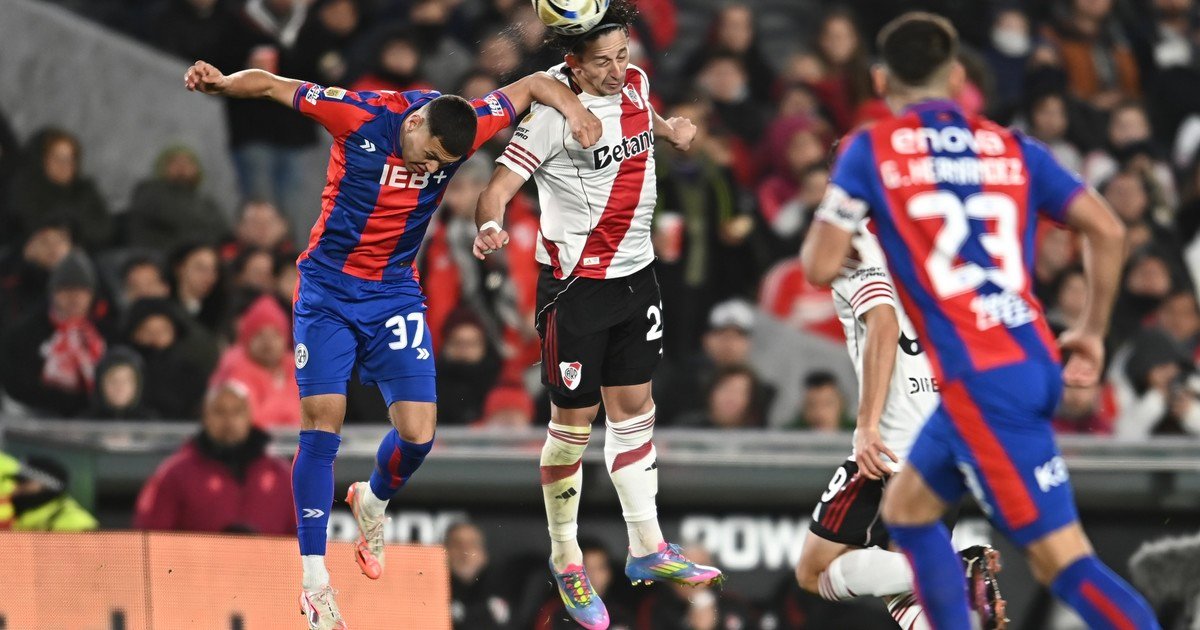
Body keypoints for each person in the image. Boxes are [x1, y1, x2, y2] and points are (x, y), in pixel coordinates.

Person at [183, 44, 601, 628]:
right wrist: (226, 82)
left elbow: (533, 83)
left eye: (441, 165)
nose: (429, 170)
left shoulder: (463, 125)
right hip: (328, 292)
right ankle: (314, 582)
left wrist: (576, 111)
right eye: (427, 156)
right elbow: (275, 85)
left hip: (394, 293)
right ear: (412, 124)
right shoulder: (358, 114)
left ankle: (372, 499)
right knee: (322, 422)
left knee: (420, 435)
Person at [800, 12, 1158, 629]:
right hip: (1014, 362)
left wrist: (843, 215)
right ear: (958, 78)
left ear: (880, 81)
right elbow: (1108, 229)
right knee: (909, 517)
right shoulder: (1013, 148)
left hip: (984, 383)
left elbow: (818, 265)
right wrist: (1093, 331)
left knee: (1063, 564)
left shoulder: (873, 151)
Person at [472, 4, 722, 627]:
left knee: (635, 407)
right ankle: (566, 558)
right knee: (574, 423)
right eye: (603, 61)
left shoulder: (635, 84)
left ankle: (647, 546)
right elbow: (495, 190)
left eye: (623, 56)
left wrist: (669, 129)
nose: (617, 70)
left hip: (638, 279)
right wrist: (490, 227)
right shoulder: (550, 119)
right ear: (573, 65)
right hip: (576, 290)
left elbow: (640, 117)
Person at [794, 228, 999, 626]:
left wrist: (867, 425)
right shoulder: (936, 234)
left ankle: (957, 570)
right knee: (902, 582)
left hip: (895, 445)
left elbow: (884, 325)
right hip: (948, 439)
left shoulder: (856, 240)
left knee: (814, 571)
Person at [134, 381, 295, 535]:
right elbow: (150, 533)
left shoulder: (281, 475)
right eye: (219, 411)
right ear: (205, 416)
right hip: (196, 556)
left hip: (268, 556)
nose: (229, 420)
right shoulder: (175, 473)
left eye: (237, 411)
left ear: (249, 416)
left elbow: (303, 535)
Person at [0, 251, 106, 418]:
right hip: (34, 418)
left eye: (82, 291)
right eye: (67, 290)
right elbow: (16, 384)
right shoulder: (24, 333)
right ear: (53, 293)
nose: (74, 298)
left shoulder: (104, 332)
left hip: (94, 420)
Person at [210, 295, 300, 429]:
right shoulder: (235, 374)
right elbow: (247, 421)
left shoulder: (299, 369)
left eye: (275, 335)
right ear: (247, 339)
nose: (268, 342)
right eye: (260, 334)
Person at [125, 145, 229, 253]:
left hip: (202, 256)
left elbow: (223, 231)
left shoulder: (206, 201)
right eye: (175, 162)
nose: (182, 166)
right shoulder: (150, 191)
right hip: (161, 256)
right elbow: (183, 221)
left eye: (188, 162)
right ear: (162, 168)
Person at [445, 521, 513, 629]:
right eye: (457, 544)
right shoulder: (432, 593)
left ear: (484, 554)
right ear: (445, 552)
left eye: (472, 544)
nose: (465, 552)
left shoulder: (505, 589)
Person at [10, 456, 98, 532]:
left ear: (45, 487)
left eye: (22, 481)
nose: (13, 485)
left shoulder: (76, 525)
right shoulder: (14, 514)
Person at [87, 346, 158, 420]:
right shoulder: (84, 423)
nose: (120, 387)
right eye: (113, 380)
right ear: (100, 383)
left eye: (127, 380)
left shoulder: (153, 423)